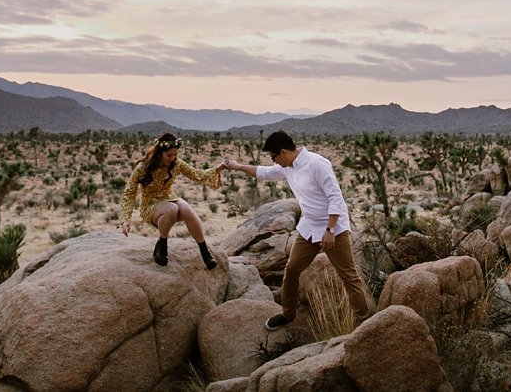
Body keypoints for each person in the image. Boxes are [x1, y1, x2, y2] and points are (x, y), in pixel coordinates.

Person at [222, 130, 371, 330]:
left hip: (332, 228)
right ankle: (288, 313)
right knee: (291, 270)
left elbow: (336, 197)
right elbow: (263, 172)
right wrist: (238, 167)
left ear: (283, 152)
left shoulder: (317, 164)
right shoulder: (288, 166)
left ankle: (365, 323)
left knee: (349, 277)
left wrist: (330, 229)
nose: (273, 161)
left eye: (273, 156)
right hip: (309, 227)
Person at [120, 132, 221, 269]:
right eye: (169, 155)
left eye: (175, 155)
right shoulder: (143, 168)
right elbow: (129, 193)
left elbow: (197, 175)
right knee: (171, 209)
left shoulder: (176, 163)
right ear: (159, 153)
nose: (172, 158)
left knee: (187, 210)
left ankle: (204, 250)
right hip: (151, 205)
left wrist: (219, 168)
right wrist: (126, 219)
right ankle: (162, 245)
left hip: (170, 198)